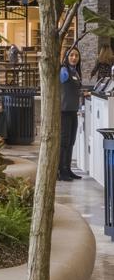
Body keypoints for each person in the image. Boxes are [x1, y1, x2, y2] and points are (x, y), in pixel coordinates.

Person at [59, 48, 85, 181]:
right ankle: (61, 171)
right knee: (63, 142)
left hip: (73, 110)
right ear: (66, 57)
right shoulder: (64, 70)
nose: (74, 58)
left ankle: (68, 168)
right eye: (71, 55)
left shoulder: (76, 72)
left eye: (76, 55)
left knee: (71, 141)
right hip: (63, 111)